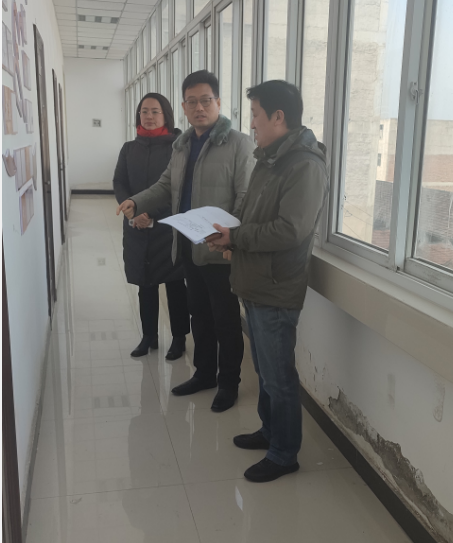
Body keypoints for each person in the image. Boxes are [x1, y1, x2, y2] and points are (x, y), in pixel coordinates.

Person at [208, 80, 329, 482]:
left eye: (256, 114)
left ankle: (284, 453)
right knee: (264, 369)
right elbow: (253, 216)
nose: (252, 123)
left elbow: (290, 230)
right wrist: (231, 238)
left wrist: (237, 237)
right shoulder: (270, 158)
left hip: (276, 286)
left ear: (279, 116)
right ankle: (269, 431)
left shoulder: (304, 165)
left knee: (279, 376)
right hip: (256, 280)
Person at [116, 71, 255, 413]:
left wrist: (231, 238)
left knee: (225, 320)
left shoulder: (238, 144)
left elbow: (246, 196)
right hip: (189, 246)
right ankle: (204, 374)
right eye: (191, 102)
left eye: (206, 100)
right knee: (199, 316)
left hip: (221, 249)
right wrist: (136, 201)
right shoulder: (181, 146)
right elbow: (165, 186)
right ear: (183, 107)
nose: (199, 108)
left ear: (218, 102)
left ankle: (228, 383)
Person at [113, 93, 190, 360]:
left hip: (167, 226)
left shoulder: (177, 149)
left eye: (155, 111)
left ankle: (179, 338)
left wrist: (149, 213)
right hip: (136, 227)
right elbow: (119, 182)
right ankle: (149, 336)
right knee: (145, 283)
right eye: (144, 111)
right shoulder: (128, 149)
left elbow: (176, 188)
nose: (148, 116)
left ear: (166, 115)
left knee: (175, 284)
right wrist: (132, 212)